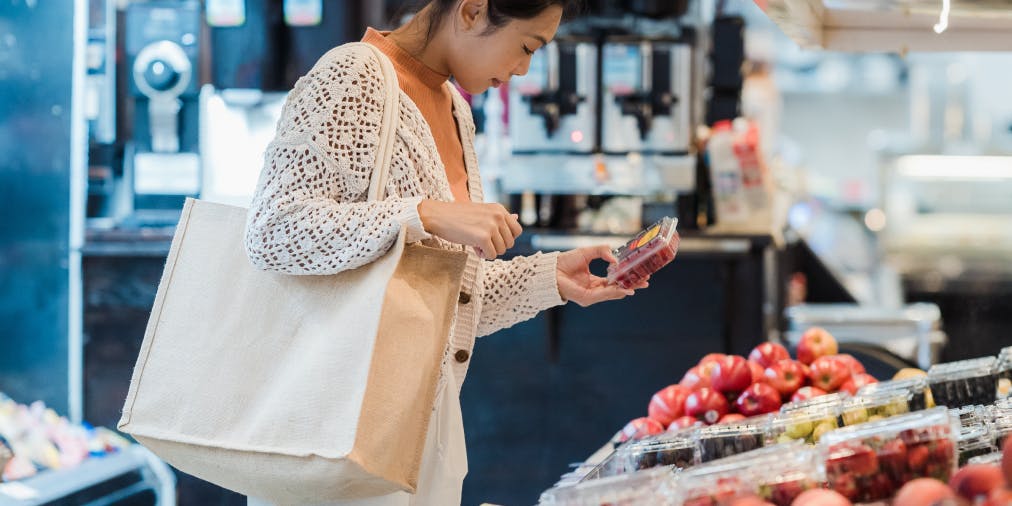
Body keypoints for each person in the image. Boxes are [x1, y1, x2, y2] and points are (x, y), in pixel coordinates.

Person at [243, 0, 648, 504]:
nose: (524, 69)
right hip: (335, 433)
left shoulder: (455, 106)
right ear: (473, 11)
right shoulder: (354, 75)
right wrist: (425, 212)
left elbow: (438, 299)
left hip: (424, 434)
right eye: (526, 47)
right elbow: (272, 232)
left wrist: (551, 279)